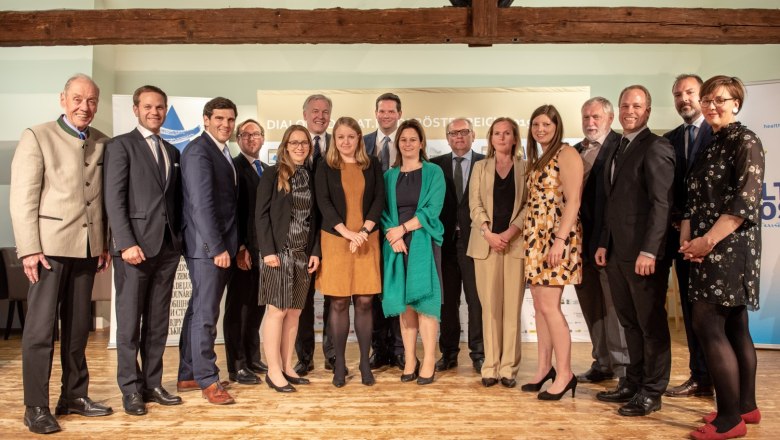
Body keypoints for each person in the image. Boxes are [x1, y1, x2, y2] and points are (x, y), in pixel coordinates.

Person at [10, 73, 113, 434]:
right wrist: (29, 249)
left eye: (91, 101)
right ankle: (35, 405)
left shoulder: (103, 142)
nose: (85, 107)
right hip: (47, 250)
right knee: (39, 331)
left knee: (77, 330)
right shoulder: (37, 136)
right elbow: (22, 197)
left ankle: (74, 395)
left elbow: (104, 198)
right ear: (63, 99)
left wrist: (103, 243)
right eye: (78, 99)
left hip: (87, 249)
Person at [682, 75, 763, 440]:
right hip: (707, 246)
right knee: (734, 326)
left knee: (708, 325)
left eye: (719, 99)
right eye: (706, 100)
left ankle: (730, 420)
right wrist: (691, 241)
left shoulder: (747, 141)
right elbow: (695, 200)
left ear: (736, 103)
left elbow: (743, 206)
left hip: (729, 247)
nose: (711, 105)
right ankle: (745, 405)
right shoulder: (713, 143)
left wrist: (706, 242)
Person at [595, 85, 675, 417]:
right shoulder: (618, 147)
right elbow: (612, 203)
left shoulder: (656, 147)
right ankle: (633, 381)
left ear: (648, 112)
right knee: (629, 323)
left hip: (643, 257)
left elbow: (662, 204)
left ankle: (652, 391)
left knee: (650, 325)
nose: (630, 110)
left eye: (637, 106)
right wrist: (603, 242)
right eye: (625, 105)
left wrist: (650, 252)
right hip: (615, 253)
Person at [104, 85, 183, 416]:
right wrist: (125, 243)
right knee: (129, 322)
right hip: (134, 249)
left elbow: (173, 201)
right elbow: (114, 198)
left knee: (157, 321)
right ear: (136, 109)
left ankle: (152, 383)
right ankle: (131, 389)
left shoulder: (172, 151)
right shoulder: (120, 146)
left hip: (166, 248)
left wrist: (178, 241)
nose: (155, 112)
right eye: (148, 106)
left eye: (160, 107)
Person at [177, 97, 239, 405]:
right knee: (205, 313)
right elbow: (201, 205)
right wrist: (217, 247)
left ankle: (189, 372)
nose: (225, 124)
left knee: (196, 309)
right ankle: (208, 379)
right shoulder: (200, 151)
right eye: (219, 119)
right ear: (206, 119)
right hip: (207, 247)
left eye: (230, 119)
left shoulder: (221, 150)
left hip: (217, 245)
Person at [316, 116, 384, 387]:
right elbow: (323, 203)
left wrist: (363, 232)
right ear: (335, 139)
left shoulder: (373, 164)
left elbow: (379, 199)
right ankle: (340, 364)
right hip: (336, 241)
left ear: (359, 139)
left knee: (366, 302)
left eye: (351, 136)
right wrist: (347, 234)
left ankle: (366, 362)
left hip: (367, 238)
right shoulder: (325, 165)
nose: (346, 141)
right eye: (341, 137)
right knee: (340, 302)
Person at [521, 105, 583, 400]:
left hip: (555, 238)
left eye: (546, 124)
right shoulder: (537, 158)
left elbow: (573, 201)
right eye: (536, 124)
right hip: (535, 239)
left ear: (557, 125)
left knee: (550, 307)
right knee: (539, 308)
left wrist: (559, 241)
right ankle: (544, 368)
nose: (541, 129)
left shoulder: (566, 153)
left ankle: (566, 373)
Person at [256, 125, 321, 393]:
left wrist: (315, 251)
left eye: (304, 142)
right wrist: (268, 250)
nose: (299, 147)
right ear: (285, 145)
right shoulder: (272, 174)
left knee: (294, 312)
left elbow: (317, 219)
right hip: (278, 255)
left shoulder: (311, 175)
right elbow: (260, 215)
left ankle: (286, 365)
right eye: (294, 142)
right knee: (277, 311)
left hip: (302, 256)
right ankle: (272, 370)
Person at [381, 119, 445, 385]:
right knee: (405, 305)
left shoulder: (433, 173)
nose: (407, 144)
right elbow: (382, 211)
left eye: (412, 139)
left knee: (425, 305)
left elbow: (432, 209)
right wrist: (392, 235)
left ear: (421, 143)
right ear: (398, 144)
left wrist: (402, 229)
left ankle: (429, 358)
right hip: (396, 246)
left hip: (423, 243)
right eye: (403, 140)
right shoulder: (389, 176)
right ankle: (410, 358)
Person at [663, 74, 714, 399]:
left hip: (716, 241)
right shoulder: (669, 139)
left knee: (716, 318)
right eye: (678, 94)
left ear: (703, 95)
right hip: (682, 242)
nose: (684, 99)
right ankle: (700, 377)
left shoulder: (722, 134)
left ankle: (725, 383)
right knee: (693, 312)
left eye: (690, 92)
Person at [573, 98, 630, 385]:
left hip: (609, 243)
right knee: (591, 305)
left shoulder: (622, 147)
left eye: (595, 116)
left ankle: (623, 368)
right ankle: (602, 361)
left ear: (609, 118)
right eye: (585, 117)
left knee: (613, 307)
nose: (590, 122)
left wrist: (605, 241)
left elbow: (618, 202)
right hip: (578, 244)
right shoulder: (573, 151)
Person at [467, 117, 527, 388]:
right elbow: (475, 204)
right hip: (486, 246)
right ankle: (490, 366)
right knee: (490, 308)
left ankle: (509, 368)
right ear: (490, 138)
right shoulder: (480, 167)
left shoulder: (527, 168)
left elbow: (530, 206)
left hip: (515, 245)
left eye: (507, 133)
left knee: (511, 307)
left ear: (515, 138)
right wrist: (489, 233)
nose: (502, 137)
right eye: (497, 133)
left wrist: (510, 232)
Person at [431, 118, 485, 373]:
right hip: (445, 242)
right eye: (454, 133)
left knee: (476, 300)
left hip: (476, 241)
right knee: (447, 302)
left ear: (473, 135)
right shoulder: (435, 165)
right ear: (448, 138)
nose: (459, 137)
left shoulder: (485, 163)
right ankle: (449, 353)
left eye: (464, 132)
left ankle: (479, 353)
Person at [224, 119, 269, 386]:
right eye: (245, 134)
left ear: (263, 138)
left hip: (263, 251)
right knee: (239, 309)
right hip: (243, 251)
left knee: (257, 307)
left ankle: (252, 357)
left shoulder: (266, 169)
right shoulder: (235, 168)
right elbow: (232, 212)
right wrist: (240, 247)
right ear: (238, 139)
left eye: (256, 134)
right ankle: (237, 365)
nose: (252, 138)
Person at [363, 92, 405, 370]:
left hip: (401, 229)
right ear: (375, 113)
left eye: (391, 111)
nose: (386, 115)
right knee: (374, 289)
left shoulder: (407, 143)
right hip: (368, 228)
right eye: (382, 111)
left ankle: (400, 349)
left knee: (398, 288)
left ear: (399, 114)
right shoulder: (362, 143)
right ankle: (379, 349)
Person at [295, 94, 335, 376]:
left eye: (325, 111)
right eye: (315, 111)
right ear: (305, 114)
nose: (320, 116)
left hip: (332, 232)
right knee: (302, 298)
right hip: (300, 234)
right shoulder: (295, 146)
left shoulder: (340, 145)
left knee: (334, 296)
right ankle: (304, 356)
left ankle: (332, 353)